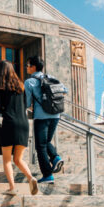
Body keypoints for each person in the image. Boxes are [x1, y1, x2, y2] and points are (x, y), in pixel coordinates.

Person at [0, 61, 38, 197]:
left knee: (7, 160)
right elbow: (25, 105)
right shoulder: (21, 87)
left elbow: (0, 108)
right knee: (18, 159)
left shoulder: (0, 87)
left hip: (9, 123)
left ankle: (12, 188)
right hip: (24, 124)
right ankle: (30, 178)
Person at [25, 55, 62, 183]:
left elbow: (27, 102)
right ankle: (55, 158)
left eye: (28, 65)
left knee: (40, 146)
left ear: (33, 67)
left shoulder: (29, 82)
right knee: (46, 141)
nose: (26, 67)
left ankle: (47, 175)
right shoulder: (51, 77)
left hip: (41, 117)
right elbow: (64, 90)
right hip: (56, 115)